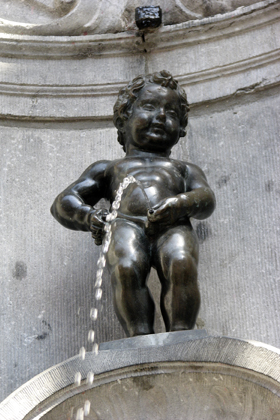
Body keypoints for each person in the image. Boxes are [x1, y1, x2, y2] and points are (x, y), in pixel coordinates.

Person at [51, 70, 216, 337]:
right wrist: (90, 217)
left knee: (182, 263)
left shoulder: (183, 169)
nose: (161, 116)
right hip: (125, 224)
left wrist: (180, 204)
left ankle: (183, 335)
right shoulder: (109, 169)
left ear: (182, 128)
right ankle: (138, 338)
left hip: (174, 224)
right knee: (126, 267)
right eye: (149, 107)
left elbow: (206, 199)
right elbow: (64, 202)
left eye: (172, 113)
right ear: (123, 118)